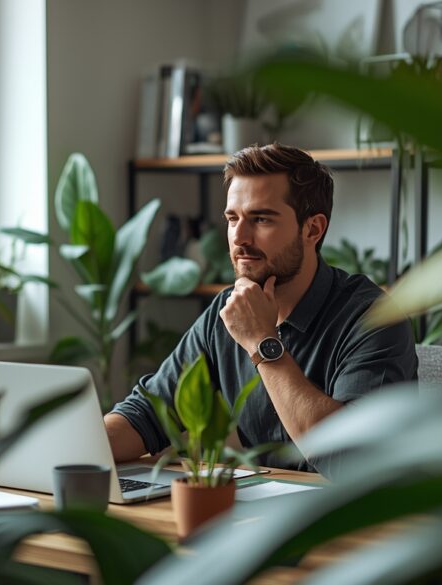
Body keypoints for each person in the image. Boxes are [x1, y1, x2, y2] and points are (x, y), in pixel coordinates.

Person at [105, 143, 417, 472]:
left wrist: (261, 343)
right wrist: (70, 448)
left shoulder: (374, 318)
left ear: (313, 228)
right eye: (232, 218)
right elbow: (146, 415)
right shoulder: (226, 313)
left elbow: (352, 461)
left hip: (369, 515)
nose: (239, 237)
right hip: (271, 509)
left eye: (261, 219)